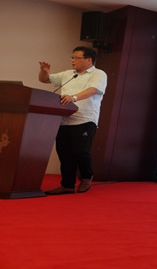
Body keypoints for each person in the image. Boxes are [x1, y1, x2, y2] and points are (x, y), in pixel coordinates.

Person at [38, 46, 107, 195]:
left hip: (85, 119)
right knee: (64, 153)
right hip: (63, 120)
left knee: (80, 151)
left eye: (77, 58)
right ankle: (67, 185)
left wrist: (73, 97)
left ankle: (86, 176)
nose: (73, 60)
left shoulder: (98, 74)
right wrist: (44, 72)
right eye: (72, 57)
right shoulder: (68, 74)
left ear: (89, 60)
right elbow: (44, 79)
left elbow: (93, 90)